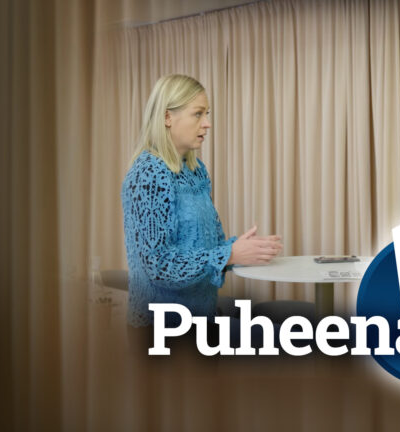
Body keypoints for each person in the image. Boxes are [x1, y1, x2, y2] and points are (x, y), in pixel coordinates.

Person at [121, 74, 282, 329]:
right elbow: (159, 266)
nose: (207, 124)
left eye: (207, 114)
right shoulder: (149, 173)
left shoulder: (195, 170)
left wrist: (238, 249)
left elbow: (206, 249)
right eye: (198, 114)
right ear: (167, 117)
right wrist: (228, 254)